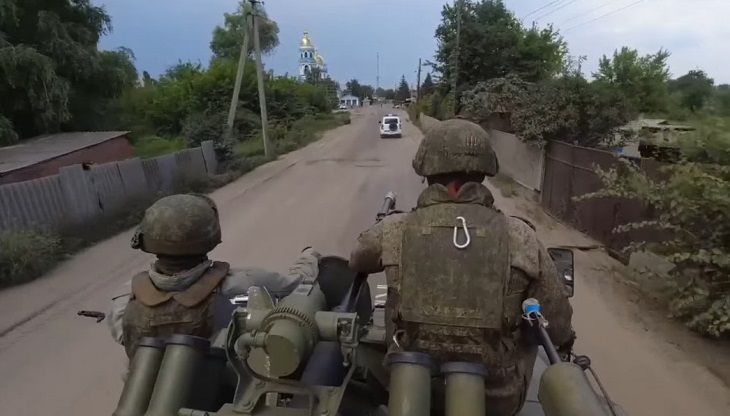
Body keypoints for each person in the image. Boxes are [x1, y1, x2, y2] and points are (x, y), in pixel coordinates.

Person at [349, 119, 574, 416]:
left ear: (427, 173)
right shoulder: (520, 236)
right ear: (483, 174)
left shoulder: (395, 229)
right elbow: (556, 326)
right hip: (496, 399)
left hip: (412, 391)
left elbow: (356, 260)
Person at [108, 193, 320, 359]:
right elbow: (300, 284)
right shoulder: (247, 283)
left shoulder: (124, 300)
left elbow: (125, 337)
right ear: (210, 235)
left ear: (146, 240)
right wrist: (309, 256)